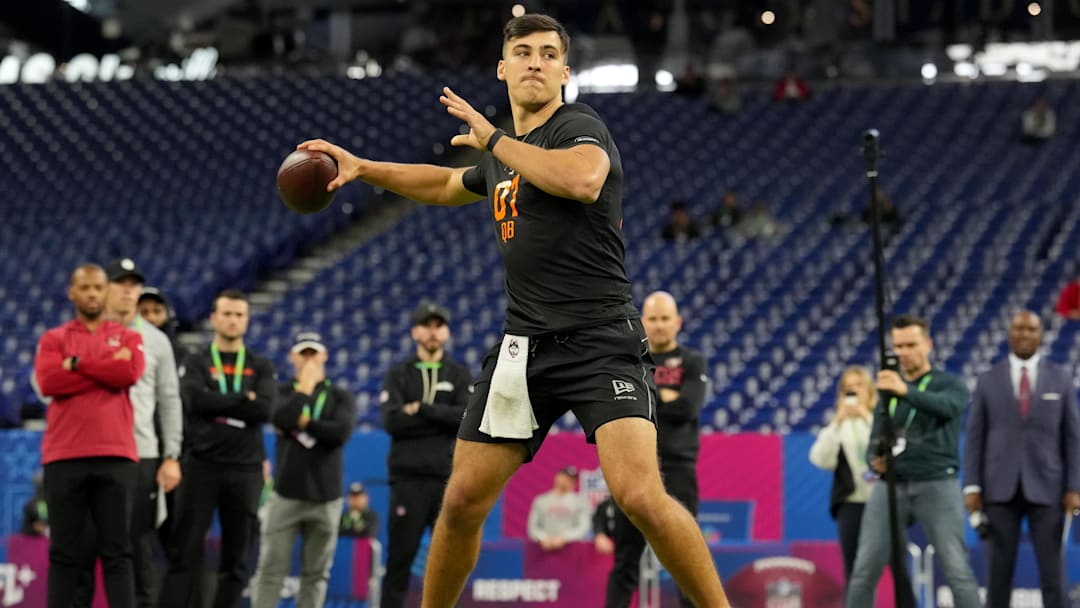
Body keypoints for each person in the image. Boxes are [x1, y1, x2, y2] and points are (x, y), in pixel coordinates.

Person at [300, 14, 730, 607]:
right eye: (522, 52)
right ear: (502, 69)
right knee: (460, 503)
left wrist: (496, 140)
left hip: (601, 339)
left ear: (564, 71)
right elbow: (445, 185)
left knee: (640, 497)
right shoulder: (504, 154)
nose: (535, 61)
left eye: (549, 53)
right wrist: (365, 168)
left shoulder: (578, 127)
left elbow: (582, 181)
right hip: (523, 347)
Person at [844, 315, 980, 608]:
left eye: (910, 345)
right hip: (891, 484)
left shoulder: (949, 383)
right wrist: (873, 459)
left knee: (957, 570)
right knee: (863, 570)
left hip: (937, 482)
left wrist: (905, 390)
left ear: (928, 345)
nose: (903, 352)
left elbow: (948, 407)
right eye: (898, 346)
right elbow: (876, 435)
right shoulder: (888, 390)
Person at [33, 263, 145, 608]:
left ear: (107, 291)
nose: (93, 294)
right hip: (64, 457)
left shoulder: (129, 336)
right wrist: (105, 367)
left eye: (98, 287)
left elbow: (128, 372)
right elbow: (50, 382)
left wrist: (76, 364)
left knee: (117, 552)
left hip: (117, 456)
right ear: (72, 293)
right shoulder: (53, 339)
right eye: (85, 288)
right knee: (64, 554)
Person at [159, 289, 277, 608]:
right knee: (184, 550)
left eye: (239, 315)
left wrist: (220, 404)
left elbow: (264, 410)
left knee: (237, 559)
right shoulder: (196, 361)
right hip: (201, 465)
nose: (233, 320)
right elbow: (195, 401)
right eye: (226, 313)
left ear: (247, 321)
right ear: (213, 318)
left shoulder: (260, 364)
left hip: (246, 468)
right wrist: (244, 400)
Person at [75, 259, 182, 608]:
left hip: (141, 452)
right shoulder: (83, 333)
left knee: (137, 544)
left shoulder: (156, 341)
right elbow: (46, 384)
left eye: (133, 285)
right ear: (105, 289)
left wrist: (171, 455)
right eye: (119, 283)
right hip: (91, 450)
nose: (127, 290)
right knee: (86, 543)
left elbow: (168, 400)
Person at [963, 310, 1080, 608]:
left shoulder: (1061, 379)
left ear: (1040, 335)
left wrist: (1074, 487)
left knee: (1053, 575)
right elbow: (975, 436)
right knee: (998, 575)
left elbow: (1072, 438)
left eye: (1031, 329)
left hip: (1049, 489)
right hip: (999, 489)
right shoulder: (988, 380)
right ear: (1009, 333)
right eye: (1019, 328)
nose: (1025, 334)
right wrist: (971, 486)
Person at [605, 291, 706, 608]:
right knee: (625, 563)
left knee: (684, 562)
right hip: (633, 467)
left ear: (677, 322)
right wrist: (666, 398)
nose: (660, 325)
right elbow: (617, 409)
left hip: (677, 470)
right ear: (642, 322)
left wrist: (646, 399)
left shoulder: (692, 361)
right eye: (653, 318)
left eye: (665, 319)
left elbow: (688, 407)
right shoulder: (629, 361)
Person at [377, 302, 474, 608]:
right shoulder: (398, 375)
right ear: (414, 331)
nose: (433, 331)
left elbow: (465, 419)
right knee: (399, 561)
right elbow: (392, 422)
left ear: (446, 332)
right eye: (426, 325)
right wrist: (439, 419)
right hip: (407, 480)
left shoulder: (459, 374)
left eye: (438, 325)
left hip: (447, 480)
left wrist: (420, 409)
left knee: (449, 564)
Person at [250, 331, 357, 608]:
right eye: (303, 353)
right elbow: (282, 419)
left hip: (326, 498)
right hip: (286, 494)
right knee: (270, 571)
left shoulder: (340, 396)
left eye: (314, 353)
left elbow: (340, 433)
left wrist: (305, 423)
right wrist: (305, 390)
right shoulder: (282, 392)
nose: (309, 359)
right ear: (293, 357)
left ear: (324, 355)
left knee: (316, 575)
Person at [808, 366, 876, 589]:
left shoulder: (878, 420)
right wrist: (837, 421)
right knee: (853, 567)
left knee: (897, 565)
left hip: (882, 501)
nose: (853, 392)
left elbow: (891, 449)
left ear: (869, 391)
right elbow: (820, 459)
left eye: (858, 386)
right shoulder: (836, 427)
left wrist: (866, 416)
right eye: (847, 388)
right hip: (850, 502)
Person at [527, 467, 591, 550]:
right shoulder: (541, 500)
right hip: (543, 549)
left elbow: (583, 527)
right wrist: (543, 538)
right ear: (557, 477)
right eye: (565, 477)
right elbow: (533, 527)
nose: (567, 480)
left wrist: (564, 538)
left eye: (571, 479)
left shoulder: (580, 502)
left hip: (571, 549)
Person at [138, 285, 187, 366]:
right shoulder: (126, 350)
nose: (151, 318)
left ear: (168, 314)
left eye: (157, 311)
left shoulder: (183, 355)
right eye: (144, 312)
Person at [20, 471, 48, 536]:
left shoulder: (57, 503)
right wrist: (35, 528)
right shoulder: (31, 505)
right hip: (38, 542)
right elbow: (25, 529)